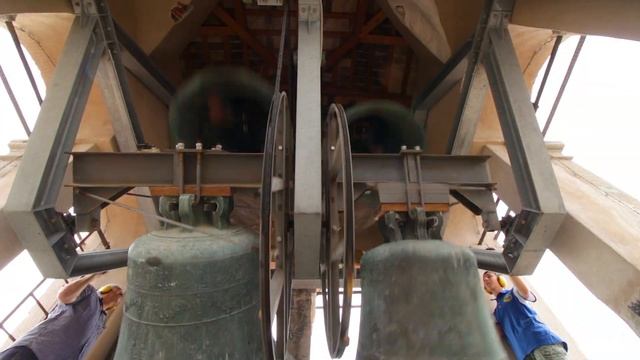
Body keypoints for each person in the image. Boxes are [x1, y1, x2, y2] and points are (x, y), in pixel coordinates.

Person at [0, 273, 123, 360]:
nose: (119, 295)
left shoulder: (101, 323)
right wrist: (91, 277)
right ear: (106, 290)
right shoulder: (89, 293)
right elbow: (63, 296)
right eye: (117, 291)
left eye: (121, 294)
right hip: (34, 352)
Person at [482, 271, 568, 360]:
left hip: (542, 343)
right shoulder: (496, 314)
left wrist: (510, 270)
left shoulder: (513, 293)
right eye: (484, 279)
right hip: (524, 356)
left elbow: (526, 292)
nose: (485, 279)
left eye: (489, 276)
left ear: (500, 279)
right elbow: (495, 336)